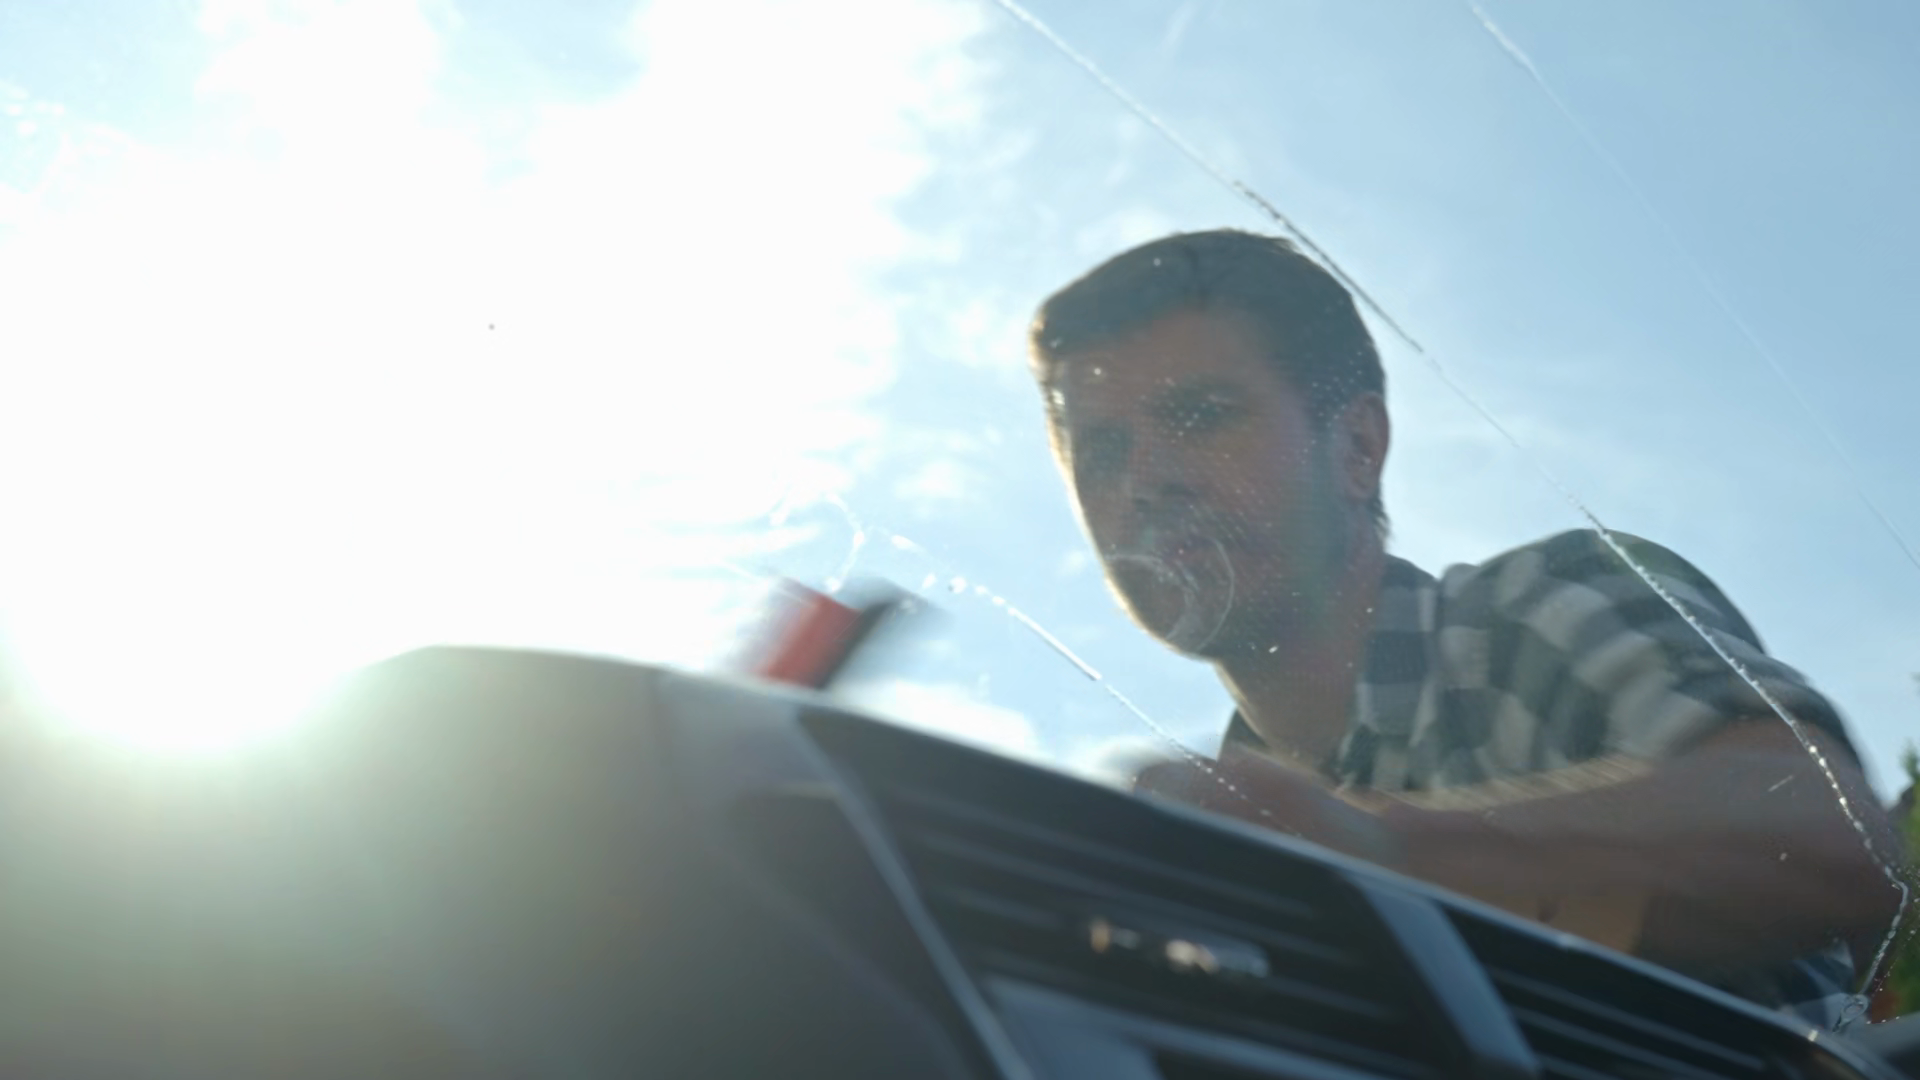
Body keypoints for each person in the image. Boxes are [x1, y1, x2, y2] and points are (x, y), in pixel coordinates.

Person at [1027, 228, 1903, 1027]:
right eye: (1101, 451)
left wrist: (1372, 855)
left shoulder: (1541, 607)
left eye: (1202, 416)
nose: (1145, 480)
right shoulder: (1225, 820)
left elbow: (1830, 839)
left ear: (1357, 448)